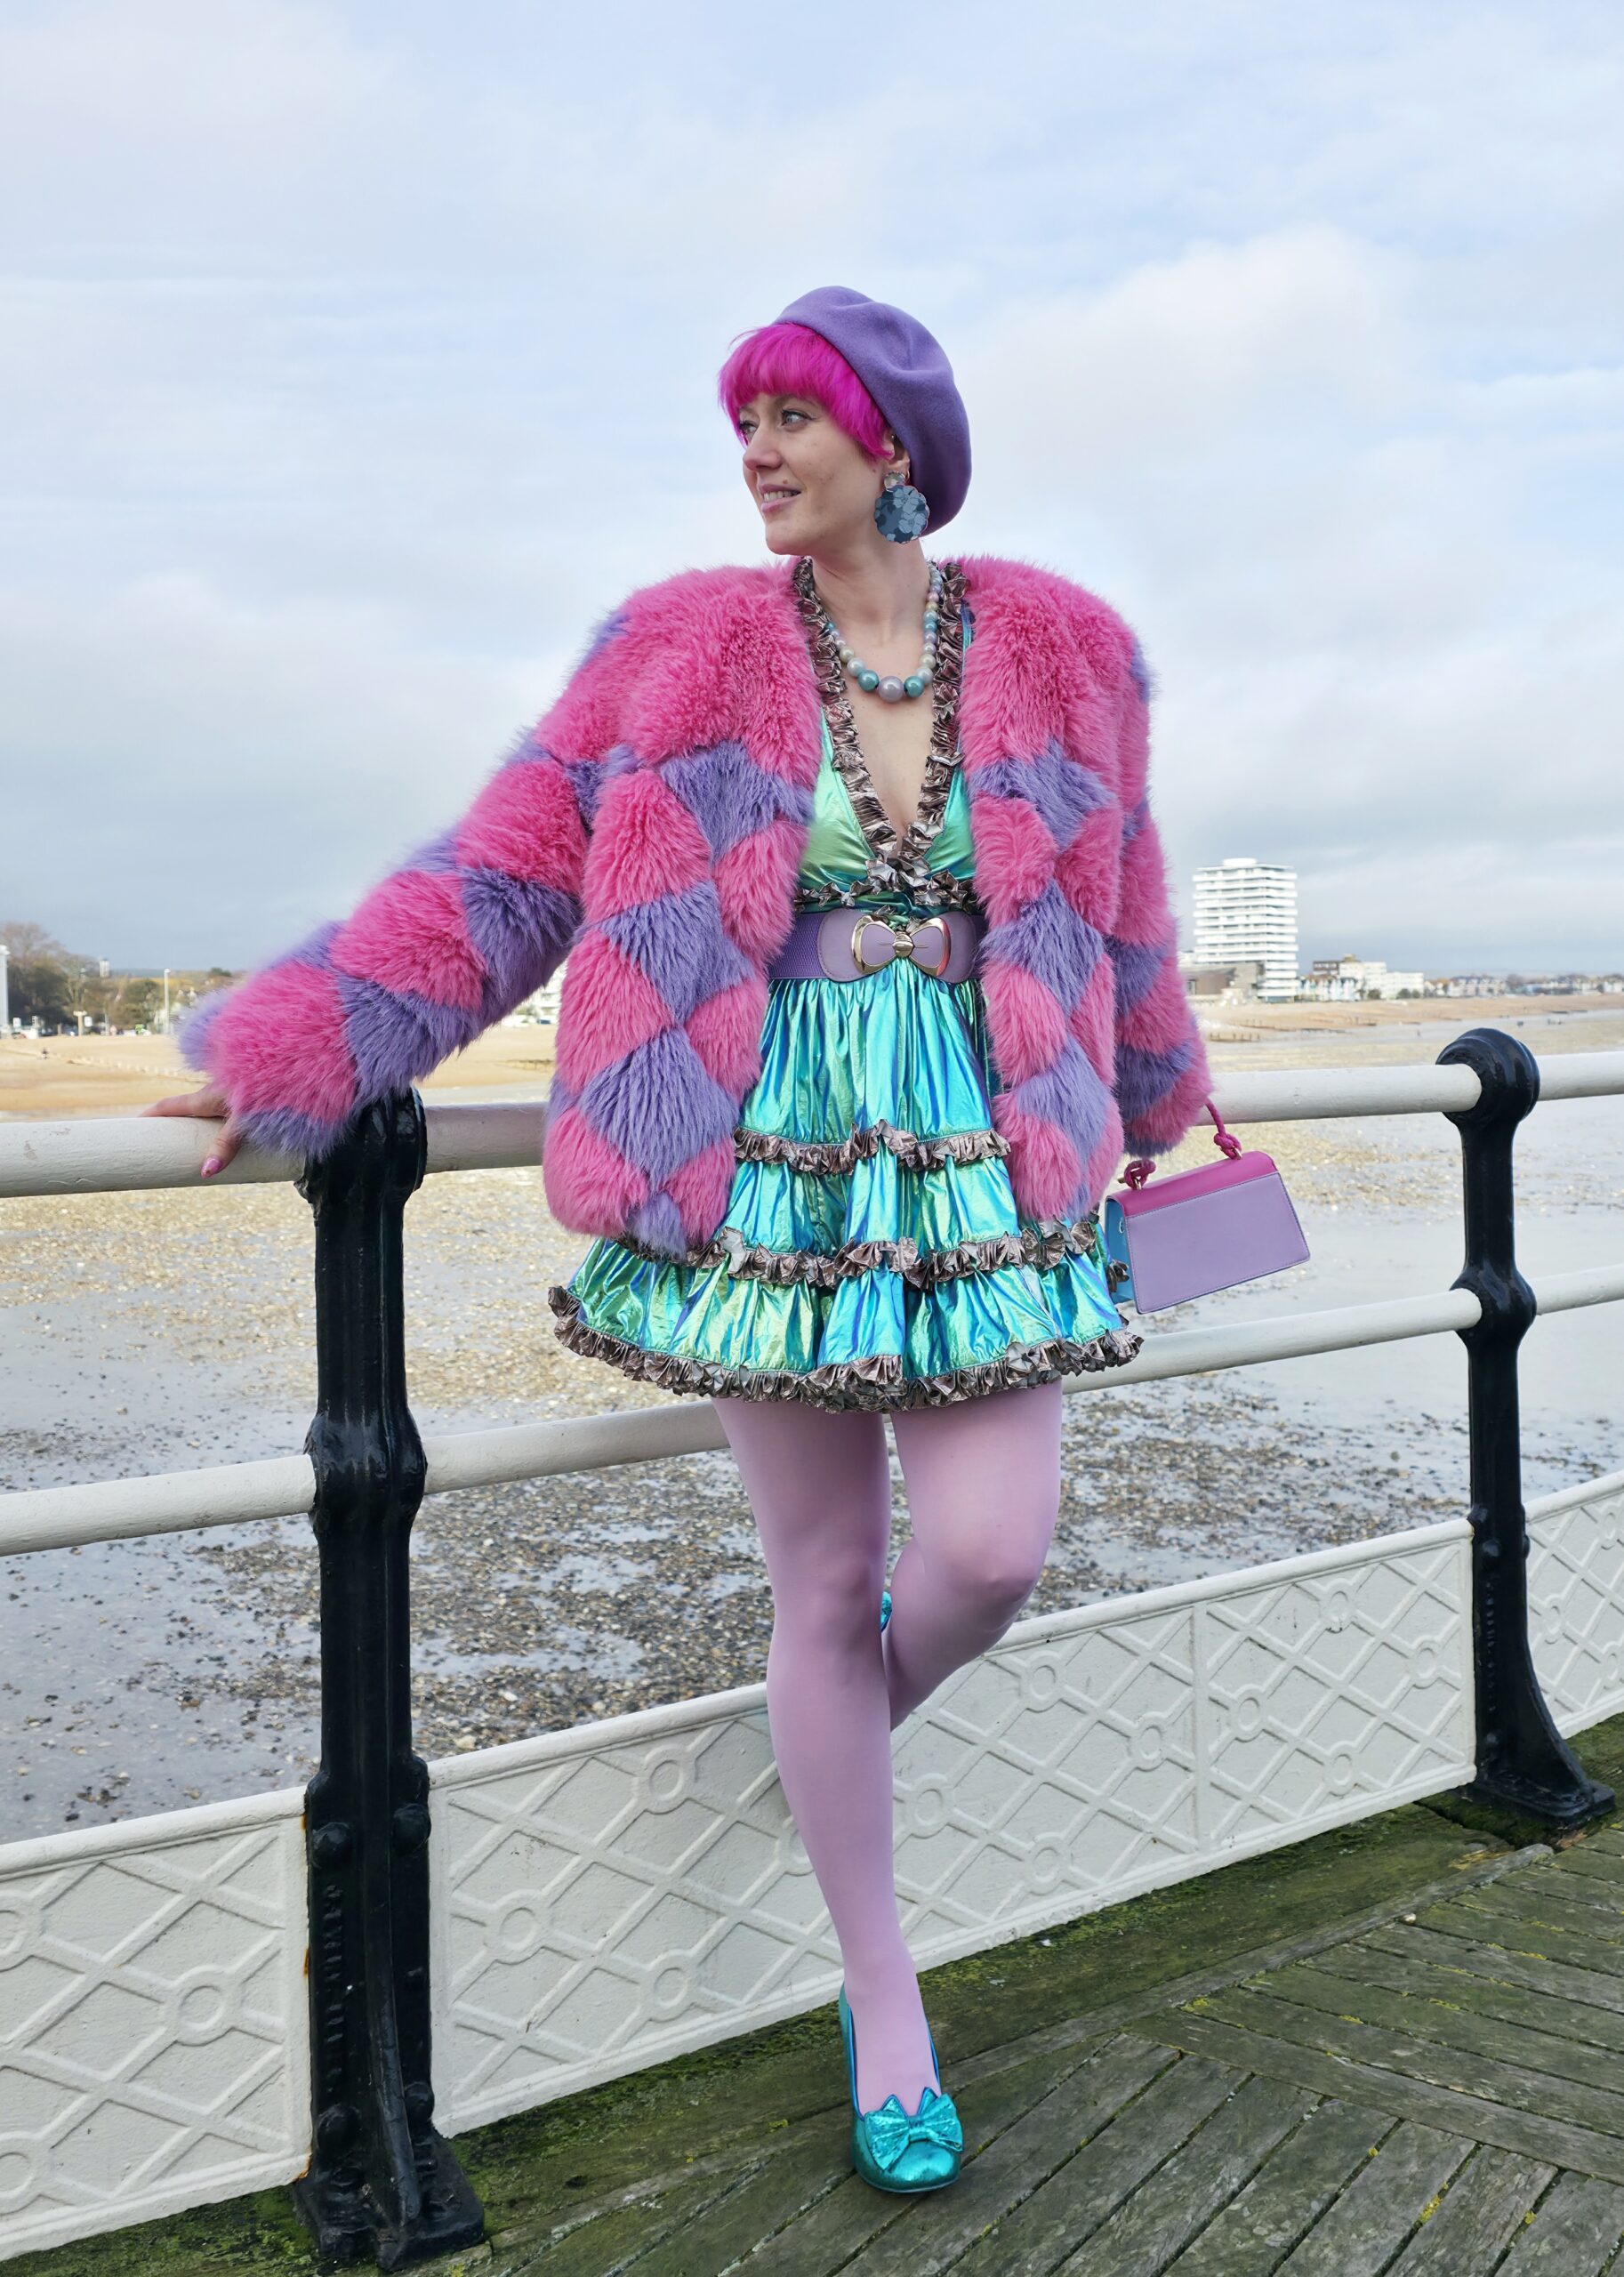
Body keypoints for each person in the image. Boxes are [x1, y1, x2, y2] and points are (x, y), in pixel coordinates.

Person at [145, 285, 1210, 2196]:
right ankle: (884, 1999)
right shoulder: (681, 644)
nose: (757, 454)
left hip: (987, 1149)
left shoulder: (1063, 645)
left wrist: (1156, 1094)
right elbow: (499, 879)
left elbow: (1122, 906)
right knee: (823, 1581)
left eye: (792, 419)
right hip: (755, 1146)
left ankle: (826, 1747)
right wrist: (293, 1053)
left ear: (893, 442)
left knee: (987, 1553)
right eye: (744, 425)